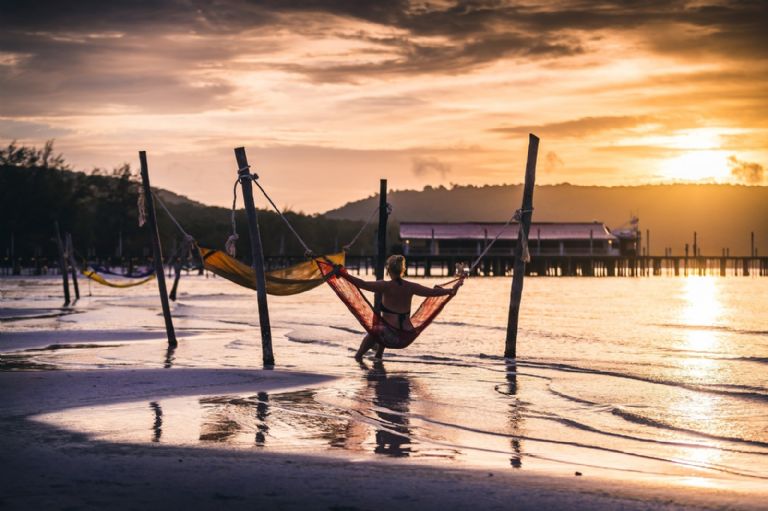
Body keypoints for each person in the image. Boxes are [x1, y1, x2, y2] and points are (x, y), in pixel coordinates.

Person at [344, 254, 463, 361]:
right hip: (406, 336)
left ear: (388, 270)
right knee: (383, 327)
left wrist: (344, 275)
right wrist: (454, 288)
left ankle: (358, 356)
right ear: (402, 270)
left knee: (374, 332)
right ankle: (378, 356)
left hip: (389, 336)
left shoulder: (385, 286)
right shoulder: (411, 286)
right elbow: (433, 292)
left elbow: (362, 284)